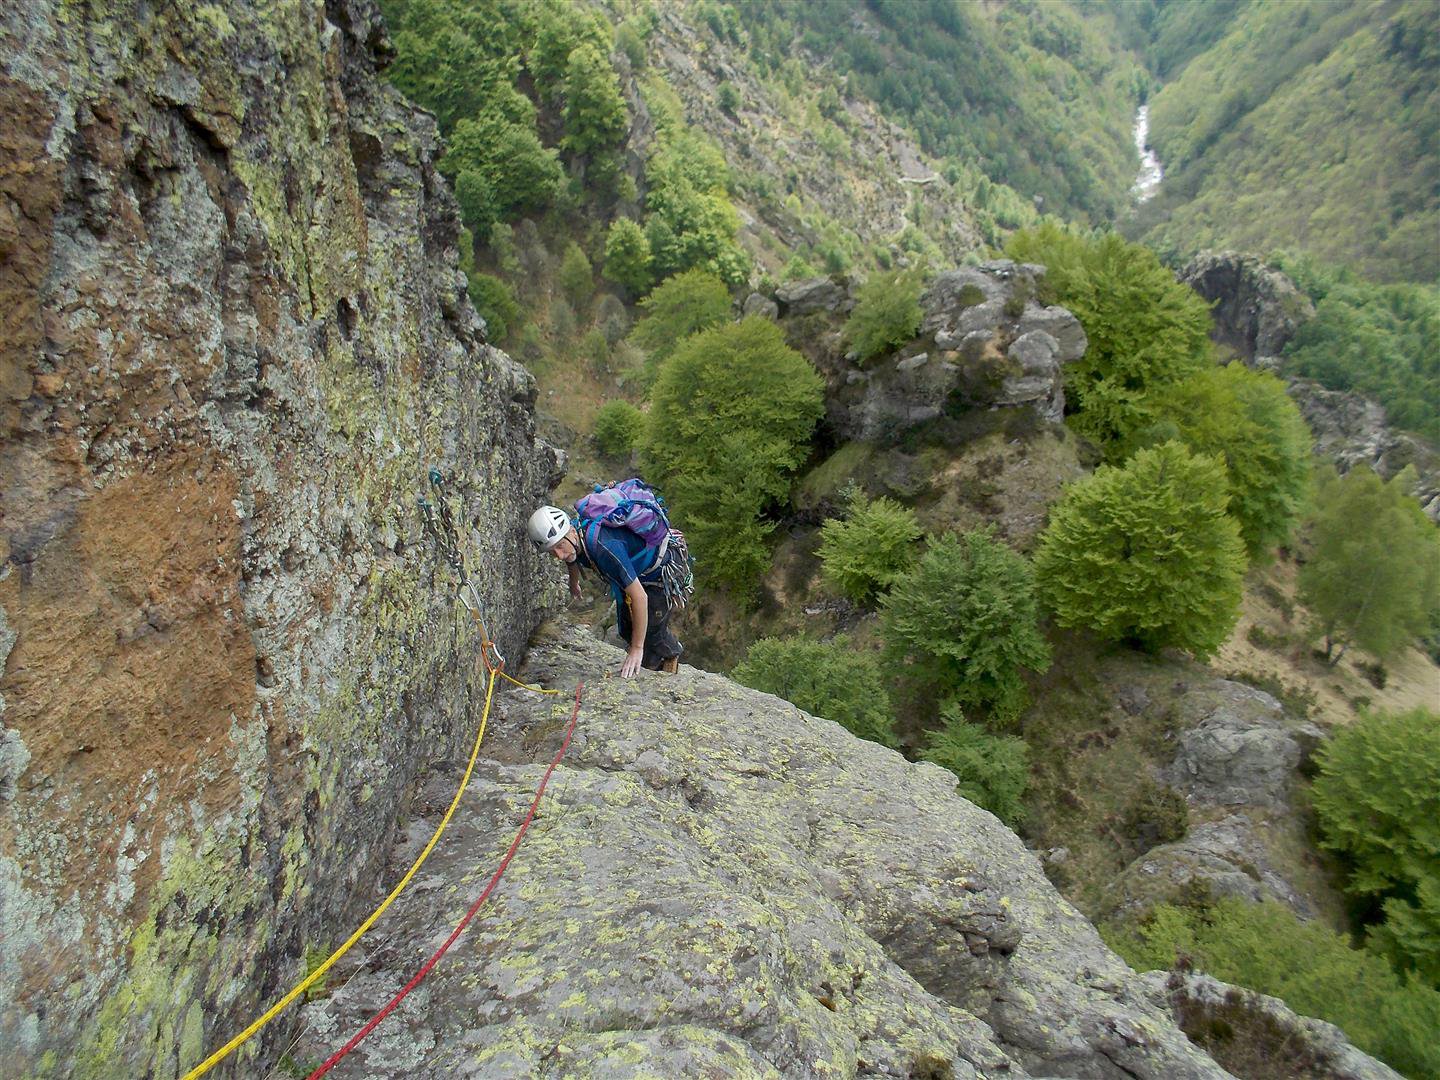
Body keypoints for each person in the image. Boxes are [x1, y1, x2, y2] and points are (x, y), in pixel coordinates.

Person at [528, 505, 682, 678]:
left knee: (652, 631)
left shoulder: (604, 548)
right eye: (552, 552)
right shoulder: (576, 539)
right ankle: (647, 660)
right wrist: (573, 582)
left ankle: (669, 655)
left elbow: (639, 597)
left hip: (660, 571)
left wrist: (636, 649)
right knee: (626, 629)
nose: (560, 555)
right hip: (635, 572)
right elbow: (571, 558)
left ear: (571, 531)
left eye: (560, 546)